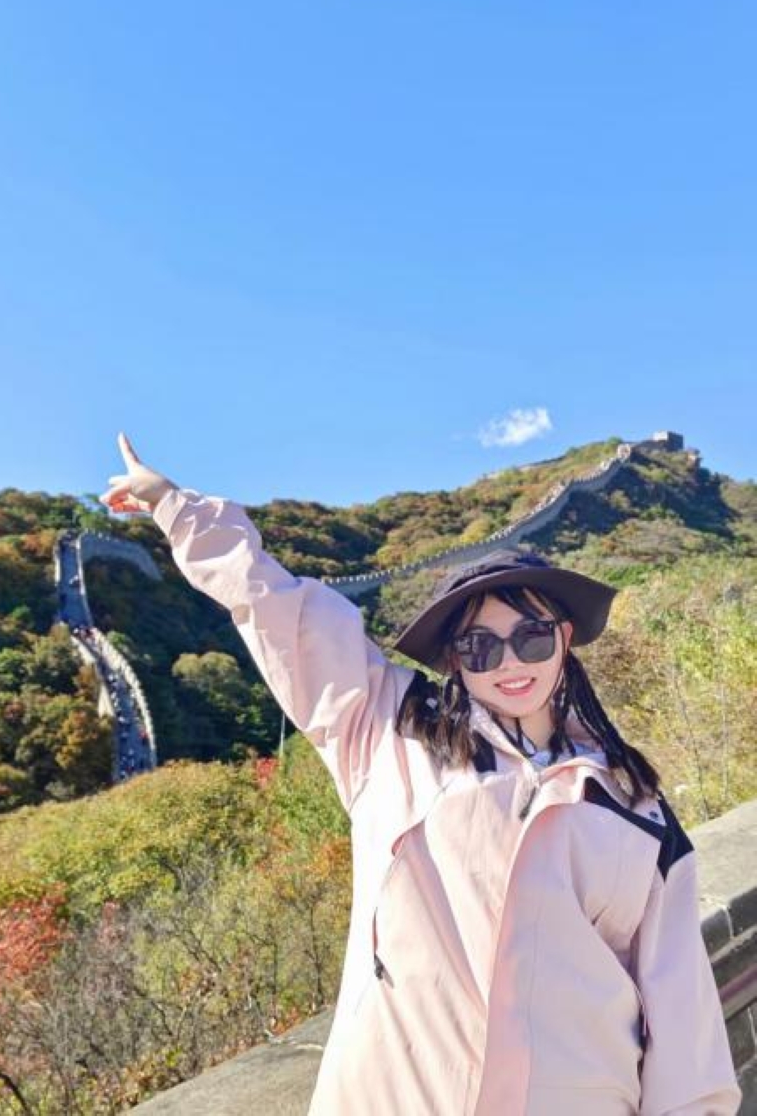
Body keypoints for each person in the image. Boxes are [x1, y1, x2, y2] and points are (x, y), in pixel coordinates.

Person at [100, 433, 741, 1116]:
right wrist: (177, 507)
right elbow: (281, 610)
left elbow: (681, 1006)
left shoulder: (633, 805)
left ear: (564, 639)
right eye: (480, 645)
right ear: (455, 659)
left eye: (531, 636)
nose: (509, 662)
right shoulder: (391, 732)